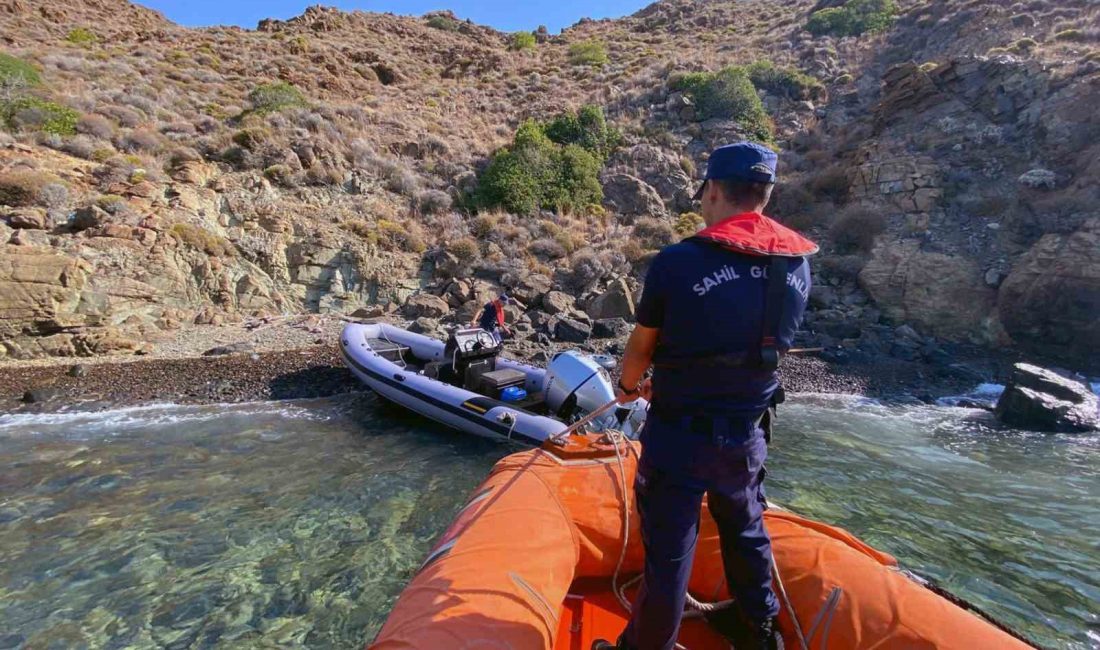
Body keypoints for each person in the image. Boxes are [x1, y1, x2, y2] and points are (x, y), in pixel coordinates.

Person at [594, 142, 817, 650]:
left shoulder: (679, 261)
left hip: (680, 436)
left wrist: (628, 390)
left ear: (714, 191)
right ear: (765, 193)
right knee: (745, 529)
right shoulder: (797, 265)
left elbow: (640, 348)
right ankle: (758, 630)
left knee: (670, 552)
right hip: (747, 435)